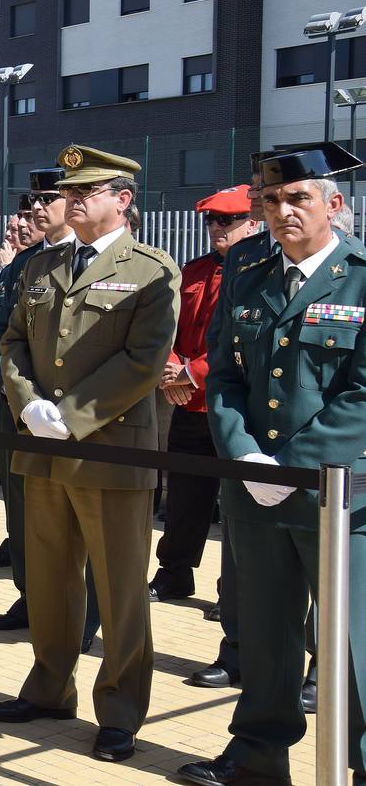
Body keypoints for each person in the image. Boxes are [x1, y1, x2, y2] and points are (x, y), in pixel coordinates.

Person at [180, 143, 366, 786]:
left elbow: (362, 394)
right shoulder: (248, 266)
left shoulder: (362, 274)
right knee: (262, 633)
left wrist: (286, 465)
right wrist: (244, 454)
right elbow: (225, 373)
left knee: (350, 643)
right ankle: (258, 756)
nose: (282, 210)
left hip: (335, 492)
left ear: (333, 205)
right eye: (271, 199)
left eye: (298, 198)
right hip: (254, 487)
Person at [0, 144, 181, 765]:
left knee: (120, 589)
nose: (70, 201)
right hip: (42, 449)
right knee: (48, 580)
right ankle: (49, 686)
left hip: (109, 450)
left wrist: (68, 416)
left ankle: (121, 709)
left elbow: (143, 360)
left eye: (84, 192)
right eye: (67, 192)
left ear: (122, 200)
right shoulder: (43, 266)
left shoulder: (151, 270)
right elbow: (13, 340)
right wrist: (28, 405)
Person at [149, 186, 257, 605]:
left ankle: (232, 589)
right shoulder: (192, 271)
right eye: (211, 221)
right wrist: (172, 370)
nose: (216, 228)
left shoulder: (257, 275)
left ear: (252, 222)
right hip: (187, 403)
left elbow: (240, 341)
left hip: (235, 408)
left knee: (236, 503)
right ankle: (175, 573)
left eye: (225, 220)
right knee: (185, 497)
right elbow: (168, 327)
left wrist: (192, 373)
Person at [0, 169, 67, 630]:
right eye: (32, 203)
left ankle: (68, 611)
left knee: (57, 511)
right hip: (9, 398)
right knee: (18, 498)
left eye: (47, 201)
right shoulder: (20, 267)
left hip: (54, 411)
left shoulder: (60, 262)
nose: (35, 211)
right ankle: (29, 595)